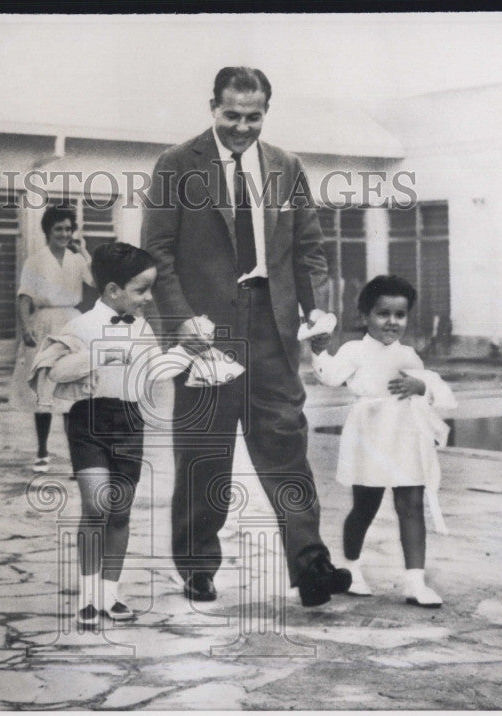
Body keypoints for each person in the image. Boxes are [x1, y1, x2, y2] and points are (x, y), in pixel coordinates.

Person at [142, 66, 351, 607]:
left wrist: (316, 312)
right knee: (204, 453)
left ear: (266, 112)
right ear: (213, 106)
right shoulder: (175, 165)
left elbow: (308, 250)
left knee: (286, 445)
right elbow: (157, 255)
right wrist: (181, 322)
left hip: (272, 327)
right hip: (204, 332)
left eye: (253, 117)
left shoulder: (287, 166)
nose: (241, 127)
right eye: (231, 115)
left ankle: (310, 566)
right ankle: (196, 565)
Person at [32, 242, 193, 628]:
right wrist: (101, 354)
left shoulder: (143, 328)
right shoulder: (81, 326)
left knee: (119, 513)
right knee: (96, 508)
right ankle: (87, 597)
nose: (148, 298)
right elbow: (54, 371)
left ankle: (109, 595)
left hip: (129, 422)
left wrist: (188, 352)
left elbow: (157, 372)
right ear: (112, 291)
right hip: (89, 422)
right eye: (141, 290)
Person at [310, 275, 456, 608]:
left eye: (400, 315)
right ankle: (351, 566)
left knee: (412, 505)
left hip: (405, 436)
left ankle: (415, 582)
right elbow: (331, 376)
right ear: (364, 316)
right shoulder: (354, 350)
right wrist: (319, 352)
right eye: (383, 313)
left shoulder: (409, 355)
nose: (392, 322)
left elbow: (430, 389)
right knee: (365, 505)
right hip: (370, 436)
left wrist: (421, 388)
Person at [11, 205, 94, 473]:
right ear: (48, 230)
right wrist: (26, 328)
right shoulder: (35, 261)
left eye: (69, 229)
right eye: (59, 228)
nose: (64, 233)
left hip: (71, 324)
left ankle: (75, 458)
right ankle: (42, 452)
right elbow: (24, 298)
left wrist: (83, 250)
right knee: (44, 389)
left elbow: (96, 281)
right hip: (44, 323)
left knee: (72, 391)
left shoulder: (77, 260)